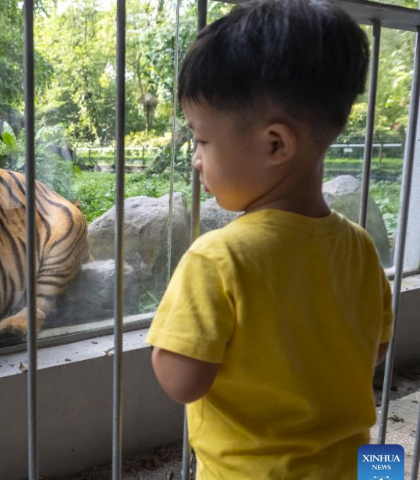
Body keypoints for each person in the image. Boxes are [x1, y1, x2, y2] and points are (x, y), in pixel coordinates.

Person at [145, 0, 393, 478]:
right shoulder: (359, 246)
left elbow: (182, 382)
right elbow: (375, 349)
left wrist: (171, 331)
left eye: (201, 140)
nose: (196, 160)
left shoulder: (218, 257)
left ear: (275, 144)